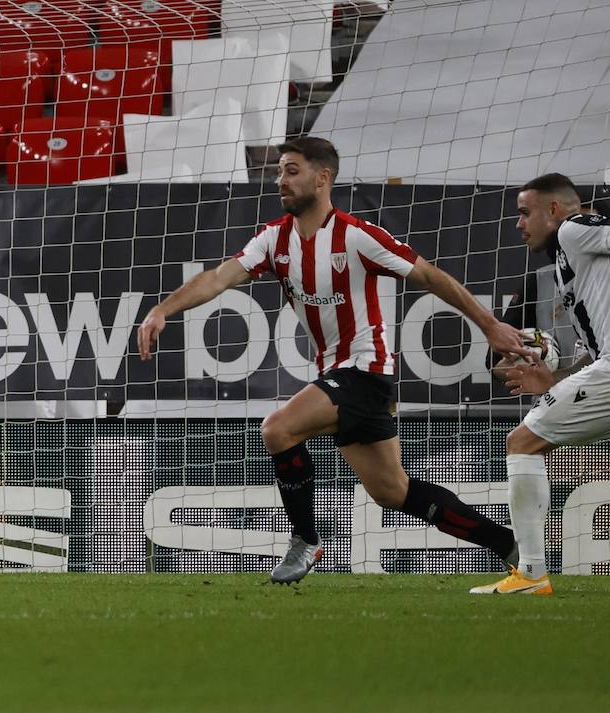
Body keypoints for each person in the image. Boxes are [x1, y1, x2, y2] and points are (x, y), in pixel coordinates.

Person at [137, 136, 534, 584]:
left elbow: (428, 274)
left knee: (278, 428)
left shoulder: (357, 236)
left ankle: (305, 541)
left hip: (367, 369)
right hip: (340, 374)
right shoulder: (273, 239)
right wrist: (162, 309)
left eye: (291, 171)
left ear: (323, 178)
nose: (279, 181)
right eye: (278, 171)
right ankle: (508, 544)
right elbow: (217, 279)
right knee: (392, 492)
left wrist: (487, 324)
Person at [471, 173, 609, 595]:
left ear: (553, 209)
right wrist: (555, 378)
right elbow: (595, 355)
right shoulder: (572, 262)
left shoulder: (573, 228)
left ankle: (531, 573)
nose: (518, 223)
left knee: (522, 442)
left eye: (524, 212)